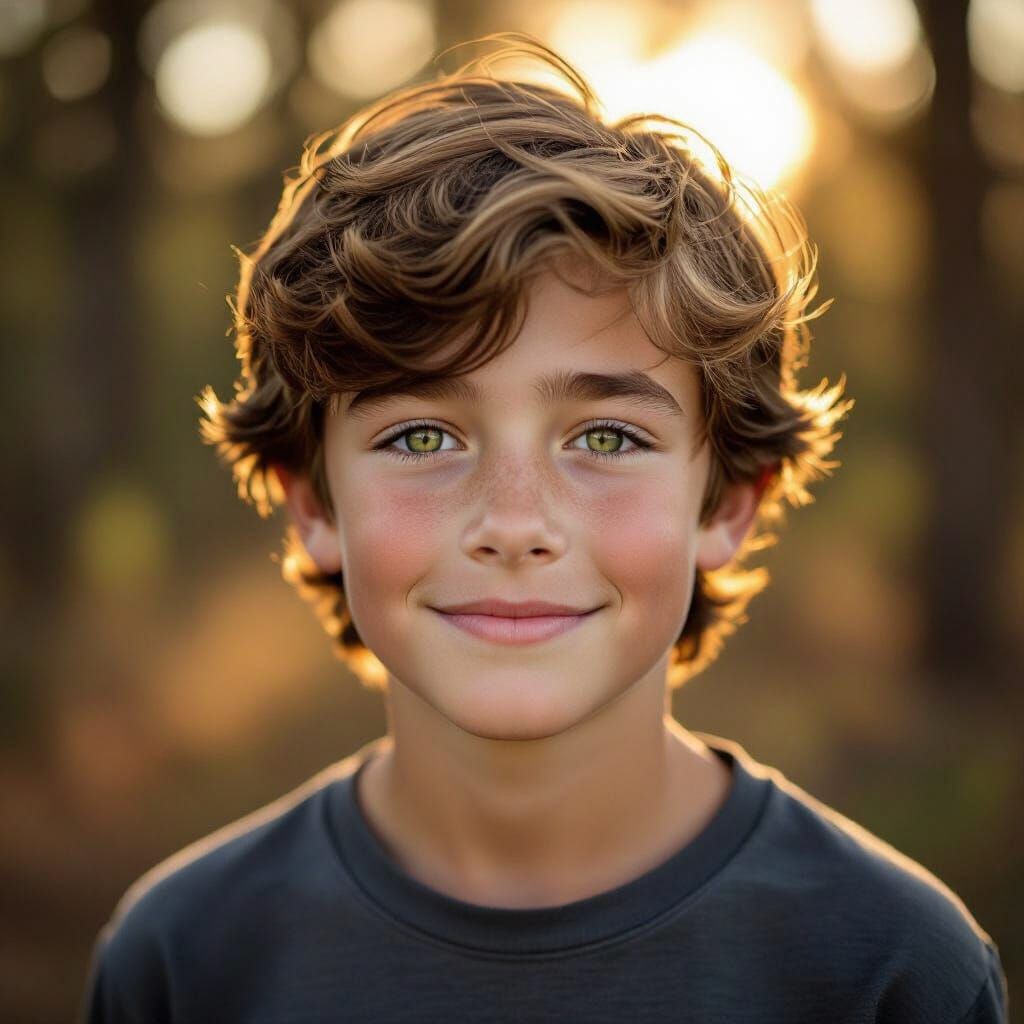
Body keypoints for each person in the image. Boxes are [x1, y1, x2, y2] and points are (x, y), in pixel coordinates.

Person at [79, 33, 1008, 1024]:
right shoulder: (185, 959)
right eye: (422, 434)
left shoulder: (891, 969)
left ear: (726, 501)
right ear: (312, 503)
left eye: (606, 434)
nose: (514, 525)